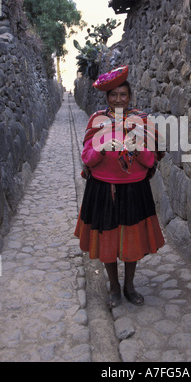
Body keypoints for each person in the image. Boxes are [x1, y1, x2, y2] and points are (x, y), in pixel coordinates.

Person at [74, 66, 165, 310]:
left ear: (130, 96)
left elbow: (149, 161)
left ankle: (129, 286)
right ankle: (114, 287)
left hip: (134, 189)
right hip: (103, 189)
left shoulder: (142, 121)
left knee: (132, 242)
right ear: (107, 98)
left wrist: (135, 146)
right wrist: (103, 147)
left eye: (123, 95)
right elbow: (88, 158)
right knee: (108, 242)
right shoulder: (97, 121)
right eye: (113, 95)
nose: (118, 99)